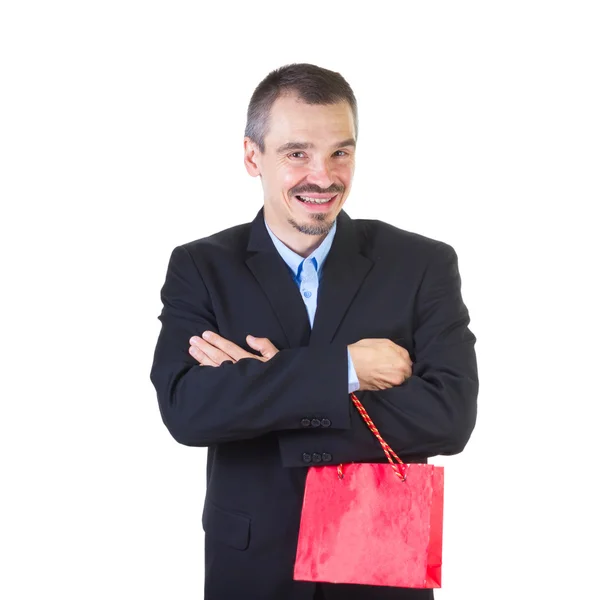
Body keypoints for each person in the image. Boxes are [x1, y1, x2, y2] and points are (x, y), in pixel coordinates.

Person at [149, 63, 478, 600]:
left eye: (340, 153)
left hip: (379, 560)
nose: (323, 176)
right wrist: (346, 369)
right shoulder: (201, 267)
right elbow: (187, 410)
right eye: (297, 153)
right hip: (254, 564)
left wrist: (264, 385)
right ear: (253, 156)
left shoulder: (422, 264)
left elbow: (450, 417)